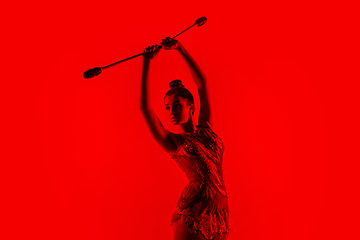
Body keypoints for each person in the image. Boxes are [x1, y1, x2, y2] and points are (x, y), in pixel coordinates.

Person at [140, 37, 231, 240]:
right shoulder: (174, 143)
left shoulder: (207, 129)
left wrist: (181, 48)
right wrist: (146, 63)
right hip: (193, 214)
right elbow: (145, 108)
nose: (171, 111)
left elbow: (202, 84)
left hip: (220, 213)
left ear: (190, 105)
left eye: (177, 105)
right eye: (167, 107)